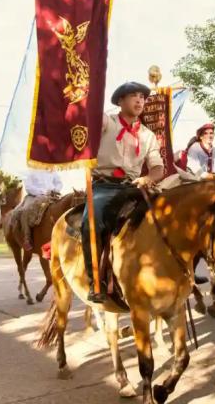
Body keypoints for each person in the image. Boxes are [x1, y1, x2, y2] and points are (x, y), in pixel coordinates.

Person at [84, 81, 165, 303]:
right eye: (133, 96)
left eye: (143, 97)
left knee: (169, 212)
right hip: (104, 185)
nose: (140, 100)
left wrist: (149, 177)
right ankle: (95, 280)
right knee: (92, 221)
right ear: (120, 101)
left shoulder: (148, 136)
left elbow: (158, 167)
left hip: (134, 187)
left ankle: (179, 268)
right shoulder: (106, 122)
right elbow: (90, 116)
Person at [18, 170, 63, 251]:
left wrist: (55, 190)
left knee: (62, 208)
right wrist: (42, 192)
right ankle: (26, 238)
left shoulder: (51, 169)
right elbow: (28, 187)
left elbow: (59, 182)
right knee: (25, 210)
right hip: (34, 196)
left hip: (52, 195)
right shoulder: (31, 170)